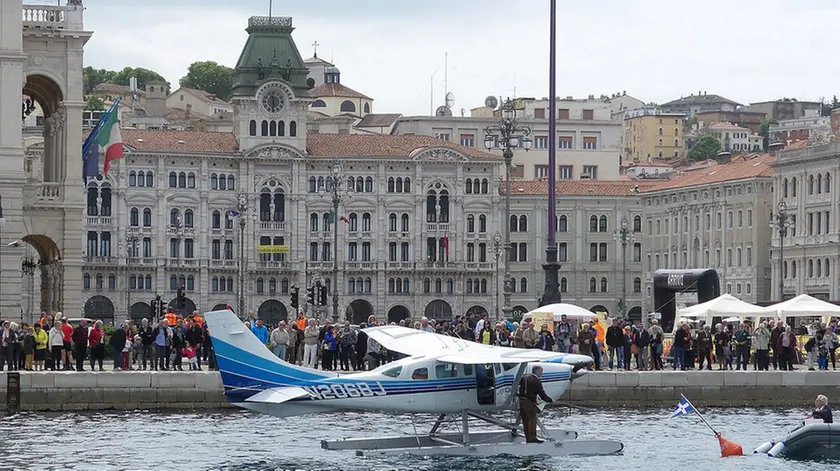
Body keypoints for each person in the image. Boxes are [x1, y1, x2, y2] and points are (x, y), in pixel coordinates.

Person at [517, 365, 553, 443]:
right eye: (541, 371)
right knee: (531, 420)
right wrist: (549, 400)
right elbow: (541, 394)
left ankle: (528, 437)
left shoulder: (524, 378)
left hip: (522, 401)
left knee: (525, 420)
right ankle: (532, 438)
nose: (542, 373)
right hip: (529, 402)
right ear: (537, 372)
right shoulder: (536, 381)